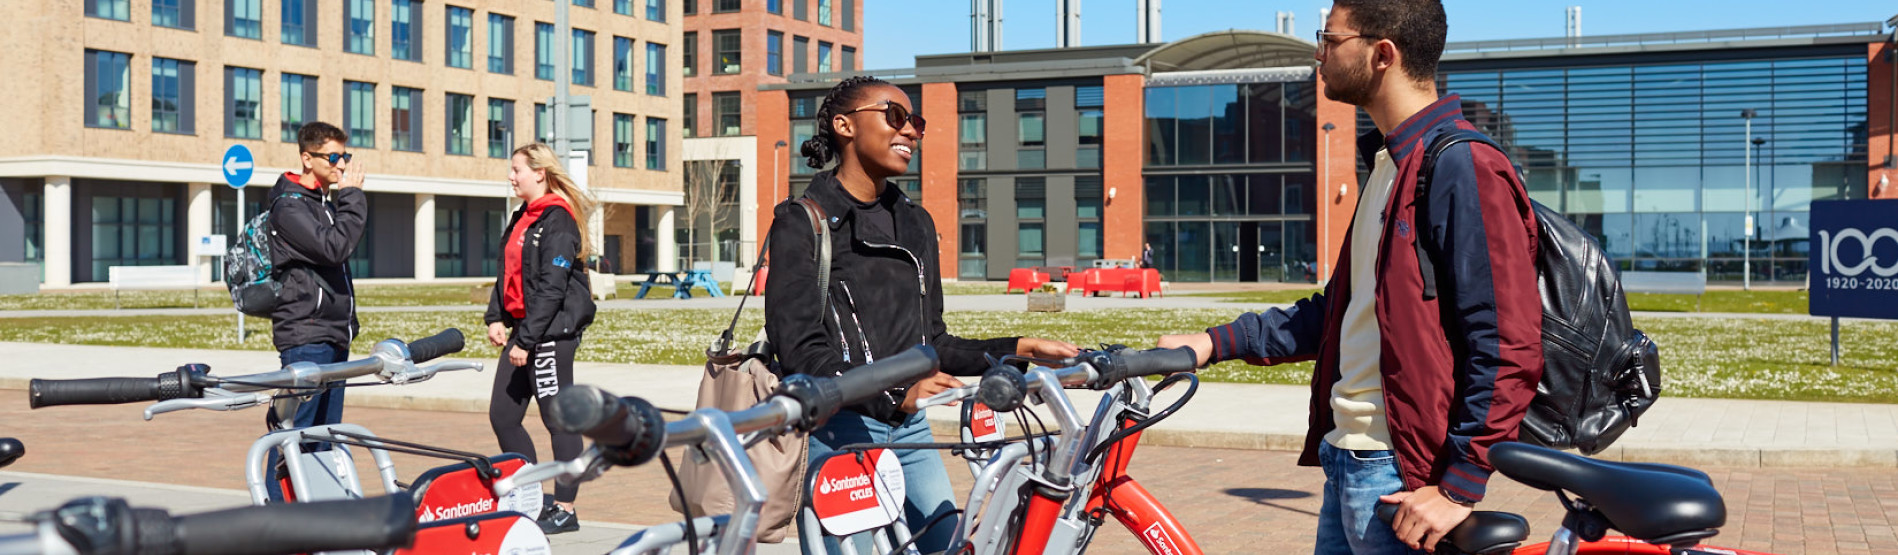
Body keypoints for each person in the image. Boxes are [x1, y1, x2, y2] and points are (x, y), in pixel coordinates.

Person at [1158, 2, 1543, 553]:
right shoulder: (1391, 165)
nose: (1319, 54)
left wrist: (1460, 486)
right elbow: (1339, 311)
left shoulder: (1461, 166)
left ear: (1382, 53)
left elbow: (1508, 342)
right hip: (1349, 460)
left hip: (1402, 475)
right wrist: (1212, 342)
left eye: (1330, 39)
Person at [764, 75, 1080, 554]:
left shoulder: (915, 221)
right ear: (845, 126)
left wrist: (1019, 350)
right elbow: (802, 354)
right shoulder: (800, 222)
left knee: (948, 546)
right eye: (895, 116)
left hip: (911, 428)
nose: (910, 131)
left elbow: (935, 344)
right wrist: (898, 392)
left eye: (916, 122)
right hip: (842, 433)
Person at [484, 143, 599, 535]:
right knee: (503, 415)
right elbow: (509, 273)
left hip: (551, 333)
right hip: (525, 330)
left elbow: (551, 288)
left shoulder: (558, 219)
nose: (511, 176)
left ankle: (565, 509)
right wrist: (496, 316)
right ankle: (530, 496)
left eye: (517, 169)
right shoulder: (523, 216)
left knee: (559, 421)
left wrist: (526, 340)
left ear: (539, 173)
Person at [263, 121, 367, 498]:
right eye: (333, 156)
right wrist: (352, 196)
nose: (341, 164)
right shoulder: (289, 208)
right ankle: (275, 521)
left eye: (345, 155)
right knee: (294, 438)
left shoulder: (320, 203)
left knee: (323, 437)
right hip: (306, 336)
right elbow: (335, 248)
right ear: (307, 158)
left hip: (332, 334)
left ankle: (316, 522)